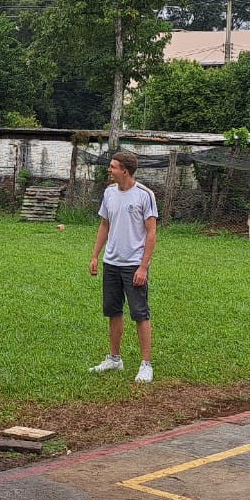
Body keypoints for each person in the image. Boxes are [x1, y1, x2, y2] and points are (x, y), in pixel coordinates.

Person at [89, 149, 159, 383]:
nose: (109, 169)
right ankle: (114, 359)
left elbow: (151, 233)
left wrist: (143, 267)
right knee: (113, 311)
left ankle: (146, 364)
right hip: (112, 263)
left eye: (113, 166)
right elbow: (104, 225)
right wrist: (96, 256)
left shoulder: (144, 195)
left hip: (133, 265)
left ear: (125, 170)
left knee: (140, 313)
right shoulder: (109, 193)